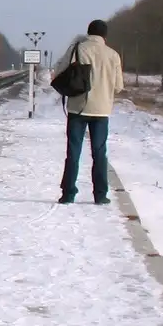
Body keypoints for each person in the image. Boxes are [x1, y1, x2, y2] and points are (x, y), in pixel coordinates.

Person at [52, 19, 125, 205]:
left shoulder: (77, 49)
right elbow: (118, 86)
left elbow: (59, 71)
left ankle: (68, 194)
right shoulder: (113, 55)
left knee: (73, 152)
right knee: (99, 153)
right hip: (101, 111)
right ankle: (100, 195)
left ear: (88, 33)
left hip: (78, 108)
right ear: (105, 36)